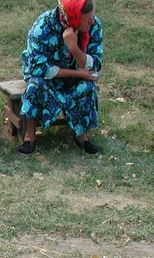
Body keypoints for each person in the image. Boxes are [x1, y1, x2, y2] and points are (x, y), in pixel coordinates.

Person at [18, 0, 102, 156]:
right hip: (45, 76)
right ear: (74, 18)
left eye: (92, 17)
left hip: (73, 76)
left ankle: (81, 135)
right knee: (35, 86)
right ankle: (29, 135)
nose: (92, 21)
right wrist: (79, 73)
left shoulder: (94, 25)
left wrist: (74, 48)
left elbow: (95, 66)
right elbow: (39, 68)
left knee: (87, 87)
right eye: (87, 19)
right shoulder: (44, 25)